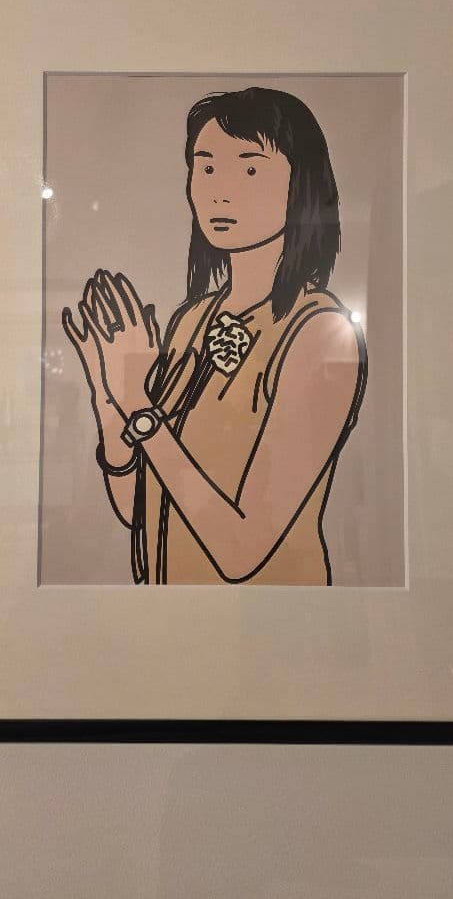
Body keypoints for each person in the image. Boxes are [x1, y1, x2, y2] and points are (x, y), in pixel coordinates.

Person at [62, 86, 367, 585]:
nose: (219, 191)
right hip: (173, 615)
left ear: (302, 185)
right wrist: (108, 397)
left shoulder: (319, 332)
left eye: (249, 170)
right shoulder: (192, 321)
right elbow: (140, 510)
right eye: (205, 168)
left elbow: (241, 551)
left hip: (274, 619)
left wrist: (139, 404)